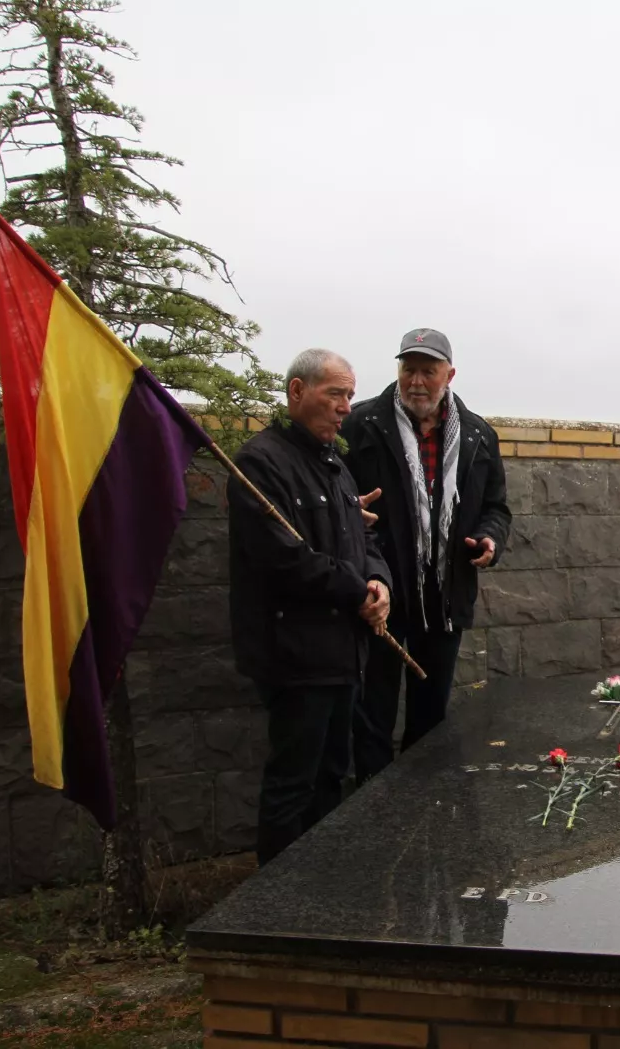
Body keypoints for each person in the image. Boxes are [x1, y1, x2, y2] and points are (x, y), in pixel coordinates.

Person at [229, 349, 392, 866]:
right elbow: (286, 559)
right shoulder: (261, 462)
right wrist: (354, 591)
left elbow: (362, 541)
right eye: (334, 393)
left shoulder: (333, 464)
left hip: (343, 653)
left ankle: (321, 894)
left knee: (330, 778)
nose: (346, 406)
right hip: (295, 654)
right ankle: (274, 910)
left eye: (349, 394)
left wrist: (378, 583)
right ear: (298, 392)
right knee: (293, 784)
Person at [341, 327, 511, 785]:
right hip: (381, 593)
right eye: (408, 369)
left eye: (427, 371)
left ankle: (423, 813)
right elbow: (338, 501)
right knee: (371, 714)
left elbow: (496, 508)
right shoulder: (360, 426)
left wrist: (489, 540)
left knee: (430, 715)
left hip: (445, 596)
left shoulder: (478, 435)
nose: (416, 381)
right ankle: (374, 814)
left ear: (449, 375)